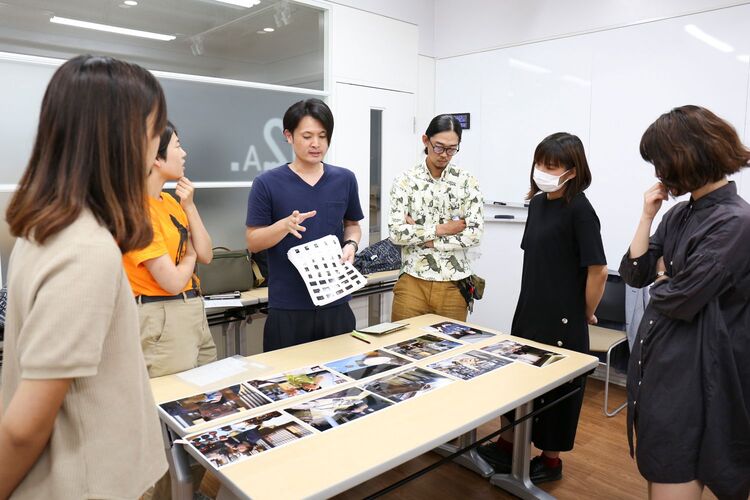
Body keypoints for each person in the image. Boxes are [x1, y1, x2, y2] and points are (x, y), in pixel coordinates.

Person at [0, 54, 168, 499]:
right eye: (155, 133)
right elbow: (23, 426)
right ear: (122, 140)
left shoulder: (45, 232)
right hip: (89, 483)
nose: (158, 150)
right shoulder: (83, 249)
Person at [618, 105, 750, 500]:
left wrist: (664, 277)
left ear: (687, 157)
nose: (659, 172)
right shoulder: (677, 214)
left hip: (705, 372)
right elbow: (635, 272)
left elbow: (679, 298)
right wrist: (646, 216)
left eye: (661, 161)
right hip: (667, 367)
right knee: (666, 461)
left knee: (697, 462)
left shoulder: (735, 222)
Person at [478, 132, 608, 483]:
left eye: (552, 166)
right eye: (540, 163)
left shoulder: (580, 209)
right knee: (517, 377)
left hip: (564, 316)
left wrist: (586, 311)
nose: (543, 171)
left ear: (572, 170)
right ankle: (510, 445)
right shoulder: (537, 204)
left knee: (558, 390)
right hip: (531, 307)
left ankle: (551, 461)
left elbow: (598, 269)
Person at [245, 98, 363, 351]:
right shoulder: (267, 183)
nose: (316, 144)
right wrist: (283, 226)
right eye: (307, 135)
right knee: (289, 384)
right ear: (288, 136)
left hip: (336, 301)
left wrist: (351, 244)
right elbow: (253, 241)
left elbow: (352, 224)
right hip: (288, 307)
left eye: (322, 135)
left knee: (343, 380)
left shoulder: (344, 179)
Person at [123, 120, 217, 378]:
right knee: (174, 401)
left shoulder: (171, 202)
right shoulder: (135, 211)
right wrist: (190, 255)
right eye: (177, 145)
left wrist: (190, 207)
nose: (184, 153)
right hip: (161, 314)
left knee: (210, 399)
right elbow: (173, 281)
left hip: (192, 309)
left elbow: (207, 254)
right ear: (156, 157)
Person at [388, 114, 484, 322]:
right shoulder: (405, 180)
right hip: (412, 280)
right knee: (401, 348)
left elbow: (474, 234)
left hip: (454, 284)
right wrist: (443, 229)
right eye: (439, 147)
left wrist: (427, 239)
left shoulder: (467, 182)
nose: (444, 155)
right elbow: (396, 233)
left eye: (452, 149)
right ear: (426, 141)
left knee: (450, 350)